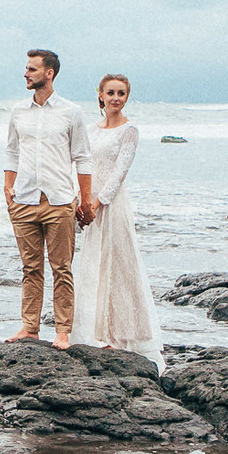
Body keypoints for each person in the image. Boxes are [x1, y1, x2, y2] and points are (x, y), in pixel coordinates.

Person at [2, 48, 93, 348]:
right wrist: (7, 188)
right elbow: (12, 151)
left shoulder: (71, 112)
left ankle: (63, 331)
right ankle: (30, 327)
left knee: (62, 268)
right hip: (24, 199)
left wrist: (86, 200)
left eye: (32, 69)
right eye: (26, 69)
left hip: (60, 201)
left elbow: (82, 158)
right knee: (30, 268)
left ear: (49, 73)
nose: (26, 74)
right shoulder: (18, 111)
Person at [73, 73, 160, 362]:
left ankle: (120, 335)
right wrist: (81, 199)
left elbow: (120, 172)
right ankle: (96, 333)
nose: (115, 98)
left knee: (119, 265)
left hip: (112, 205)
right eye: (110, 92)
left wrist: (97, 203)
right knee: (93, 265)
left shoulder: (129, 130)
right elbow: (83, 165)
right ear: (100, 95)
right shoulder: (90, 129)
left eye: (121, 93)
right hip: (88, 202)